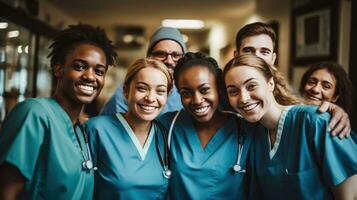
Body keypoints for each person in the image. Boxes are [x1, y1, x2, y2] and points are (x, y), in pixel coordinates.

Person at [0, 24, 117, 199]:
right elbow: (6, 192)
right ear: (58, 69)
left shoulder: (81, 130)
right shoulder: (34, 114)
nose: (90, 76)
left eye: (99, 71)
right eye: (79, 66)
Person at [223, 54, 357, 199]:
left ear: (270, 84)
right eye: (233, 91)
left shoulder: (316, 122)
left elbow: (350, 196)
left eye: (252, 86)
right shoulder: (254, 135)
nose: (243, 98)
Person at [158, 52, 254, 199]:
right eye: (186, 93)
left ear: (219, 89)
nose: (196, 100)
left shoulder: (245, 129)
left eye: (204, 90)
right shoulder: (165, 126)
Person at [233, 22, 351, 137]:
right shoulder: (223, 93)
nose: (257, 57)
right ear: (236, 56)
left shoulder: (287, 94)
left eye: (264, 52)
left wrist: (332, 109)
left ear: (273, 59)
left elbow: (305, 110)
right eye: (248, 51)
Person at [85, 58, 173, 199]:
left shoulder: (165, 136)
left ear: (167, 96)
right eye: (142, 88)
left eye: (160, 91)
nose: (150, 98)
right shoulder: (97, 130)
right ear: (126, 91)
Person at [101, 27, 186, 115]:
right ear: (149, 58)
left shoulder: (187, 93)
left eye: (176, 55)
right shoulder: (124, 95)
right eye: (161, 54)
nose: (169, 61)